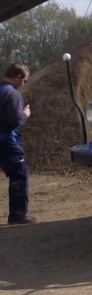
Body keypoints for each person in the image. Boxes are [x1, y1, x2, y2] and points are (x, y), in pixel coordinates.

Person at [1, 62, 37, 225]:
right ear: (17, 77)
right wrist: (25, 113)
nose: (24, 84)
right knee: (19, 174)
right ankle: (18, 215)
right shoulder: (12, 94)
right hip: (5, 141)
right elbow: (16, 120)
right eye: (24, 80)